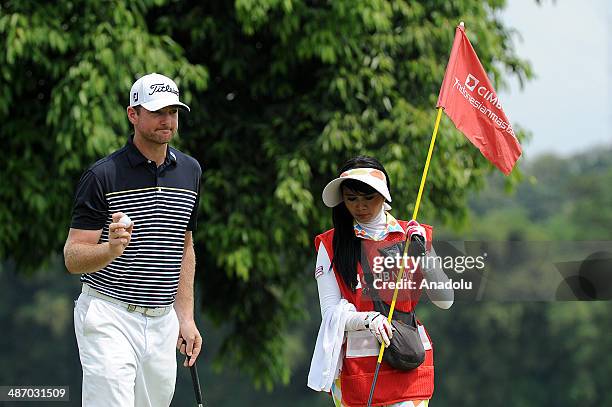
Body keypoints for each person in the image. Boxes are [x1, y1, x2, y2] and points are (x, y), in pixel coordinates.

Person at [63, 72, 203, 406]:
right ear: (133, 115)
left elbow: (184, 246)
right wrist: (110, 249)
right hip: (109, 313)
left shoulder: (190, 171)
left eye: (172, 112)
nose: (167, 120)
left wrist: (185, 317)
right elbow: (72, 256)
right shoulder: (103, 175)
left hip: (162, 321)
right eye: (157, 112)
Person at [308, 156, 454, 407]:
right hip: (357, 370)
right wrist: (368, 319)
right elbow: (330, 312)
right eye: (351, 199)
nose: (360, 206)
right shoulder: (331, 244)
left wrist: (423, 253)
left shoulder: (411, 235)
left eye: (368, 198)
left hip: (407, 360)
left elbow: (445, 300)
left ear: (384, 196)